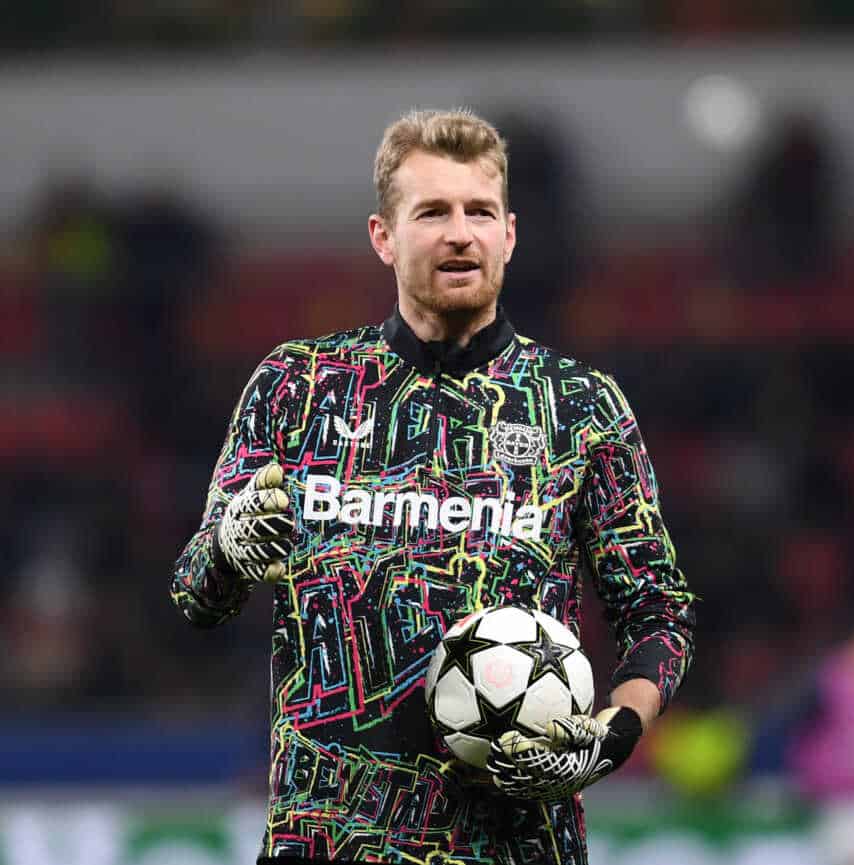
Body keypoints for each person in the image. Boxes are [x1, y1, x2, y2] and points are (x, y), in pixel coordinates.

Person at [170, 108, 696, 865]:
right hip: (325, 842)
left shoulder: (580, 406)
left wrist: (616, 734)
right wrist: (228, 544)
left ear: (509, 235)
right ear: (384, 236)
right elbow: (195, 596)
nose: (460, 233)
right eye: (433, 212)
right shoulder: (298, 386)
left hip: (519, 846)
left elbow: (658, 612)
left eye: (479, 211)